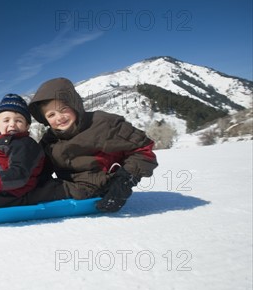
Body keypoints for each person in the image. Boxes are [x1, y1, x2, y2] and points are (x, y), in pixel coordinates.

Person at [24, 77, 158, 212]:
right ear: (45, 119)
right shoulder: (50, 140)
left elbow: (142, 148)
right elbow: (41, 167)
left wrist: (124, 179)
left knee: (35, 195)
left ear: (74, 104)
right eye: (51, 115)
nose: (59, 117)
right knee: (29, 191)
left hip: (102, 186)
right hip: (70, 186)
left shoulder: (103, 124)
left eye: (63, 109)